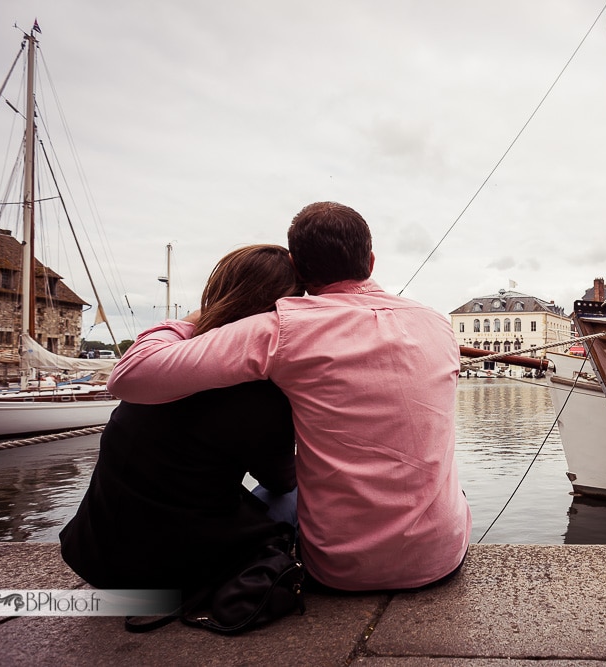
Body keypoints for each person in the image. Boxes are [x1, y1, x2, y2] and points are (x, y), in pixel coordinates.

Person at [107, 202, 472, 592]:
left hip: (340, 572)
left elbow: (130, 377)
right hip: (441, 559)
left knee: (279, 491)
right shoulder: (438, 324)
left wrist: (198, 317)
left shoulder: (281, 329)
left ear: (297, 266)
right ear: (370, 259)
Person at [60, 244, 303, 593]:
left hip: (95, 558)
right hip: (176, 572)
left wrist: (207, 315)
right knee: (301, 491)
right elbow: (282, 480)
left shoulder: (157, 365)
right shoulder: (260, 394)